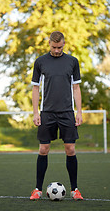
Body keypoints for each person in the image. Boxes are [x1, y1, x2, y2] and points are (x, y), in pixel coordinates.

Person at [30, 31, 83, 200]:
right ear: (49, 44)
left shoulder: (72, 62)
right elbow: (35, 88)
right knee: (43, 149)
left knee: (71, 149)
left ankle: (75, 190)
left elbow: (76, 88)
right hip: (47, 113)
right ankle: (37, 189)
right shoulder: (40, 62)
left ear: (64, 44)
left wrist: (79, 111)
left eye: (60, 47)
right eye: (54, 47)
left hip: (67, 112)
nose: (57, 50)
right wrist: (35, 112)